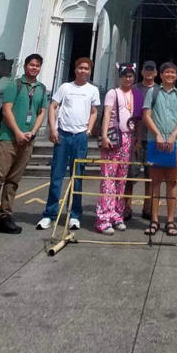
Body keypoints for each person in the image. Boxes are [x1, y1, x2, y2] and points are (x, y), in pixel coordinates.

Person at [0, 53, 47, 239]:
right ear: (25, 66)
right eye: (31, 64)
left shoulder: (41, 88)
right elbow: (7, 110)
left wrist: (33, 132)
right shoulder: (13, 85)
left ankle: (5, 217)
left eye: (37, 65)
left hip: (28, 140)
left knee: (13, 181)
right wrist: (17, 132)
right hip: (8, 139)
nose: (34, 68)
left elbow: (41, 112)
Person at [36, 57, 100, 231]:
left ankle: (74, 214)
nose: (83, 71)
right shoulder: (65, 87)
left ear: (90, 71)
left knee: (77, 177)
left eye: (86, 68)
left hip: (80, 137)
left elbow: (94, 112)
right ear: (75, 69)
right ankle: (49, 214)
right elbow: (53, 106)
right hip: (63, 135)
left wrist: (88, 130)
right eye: (80, 68)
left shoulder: (93, 90)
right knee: (56, 176)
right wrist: (53, 129)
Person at [142, 61, 177, 237]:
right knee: (155, 182)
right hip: (156, 142)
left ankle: (170, 220)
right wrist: (158, 134)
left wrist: (174, 135)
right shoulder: (152, 92)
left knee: (172, 182)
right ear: (160, 75)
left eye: (173, 73)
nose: (170, 75)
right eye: (166, 72)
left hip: (174, 143)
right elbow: (146, 115)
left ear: (176, 76)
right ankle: (154, 220)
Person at [95, 63, 137, 234]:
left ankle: (117, 215)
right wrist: (104, 136)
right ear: (120, 76)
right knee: (108, 179)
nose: (128, 78)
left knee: (121, 178)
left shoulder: (135, 94)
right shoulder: (113, 93)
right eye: (125, 75)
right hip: (114, 137)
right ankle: (103, 218)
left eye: (131, 75)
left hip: (128, 138)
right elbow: (106, 114)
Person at [124, 60, 158, 221]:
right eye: (146, 70)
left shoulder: (160, 91)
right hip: (134, 137)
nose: (149, 73)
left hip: (152, 139)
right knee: (130, 175)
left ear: (156, 73)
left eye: (152, 70)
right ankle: (126, 207)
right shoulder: (134, 89)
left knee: (151, 176)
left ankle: (148, 207)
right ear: (142, 72)